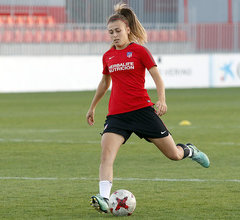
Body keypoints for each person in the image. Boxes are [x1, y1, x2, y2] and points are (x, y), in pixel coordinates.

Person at [86, 3, 210, 214]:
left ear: (127, 30)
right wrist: (92, 107)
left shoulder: (140, 51)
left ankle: (189, 150)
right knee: (106, 154)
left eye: (118, 31)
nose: (114, 35)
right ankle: (104, 198)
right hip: (117, 115)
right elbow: (104, 84)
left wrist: (161, 100)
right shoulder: (108, 56)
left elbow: (157, 77)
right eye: (110, 32)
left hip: (142, 112)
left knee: (174, 155)